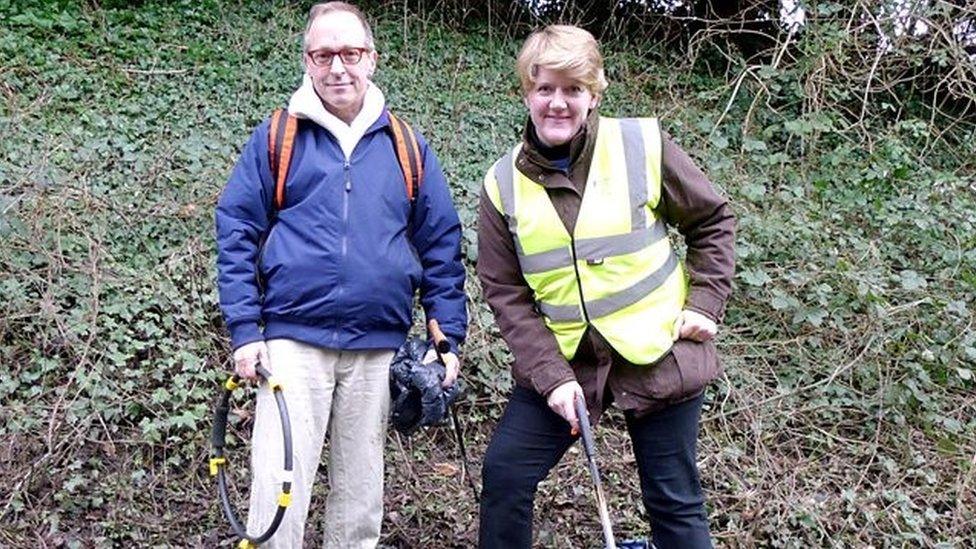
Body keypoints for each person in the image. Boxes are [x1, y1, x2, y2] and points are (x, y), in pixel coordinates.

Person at [214, 3, 466, 547]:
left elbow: (441, 244)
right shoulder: (277, 137)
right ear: (307, 61)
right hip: (291, 341)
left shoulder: (406, 146)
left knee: (360, 500)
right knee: (278, 491)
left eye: (350, 53)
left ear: (371, 59)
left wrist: (446, 335)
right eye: (324, 54)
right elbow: (237, 231)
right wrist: (245, 331)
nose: (338, 68)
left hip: (378, 346)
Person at [476, 25, 735, 548]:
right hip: (566, 362)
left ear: (594, 94)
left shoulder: (642, 144)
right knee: (505, 475)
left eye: (573, 89)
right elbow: (505, 292)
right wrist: (550, 378)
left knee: (674, 502)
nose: (557, 103)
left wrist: (705, 301)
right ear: (526, 92)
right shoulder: (501, 185)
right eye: (545, 88)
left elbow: (712, 220)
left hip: (659, 350)